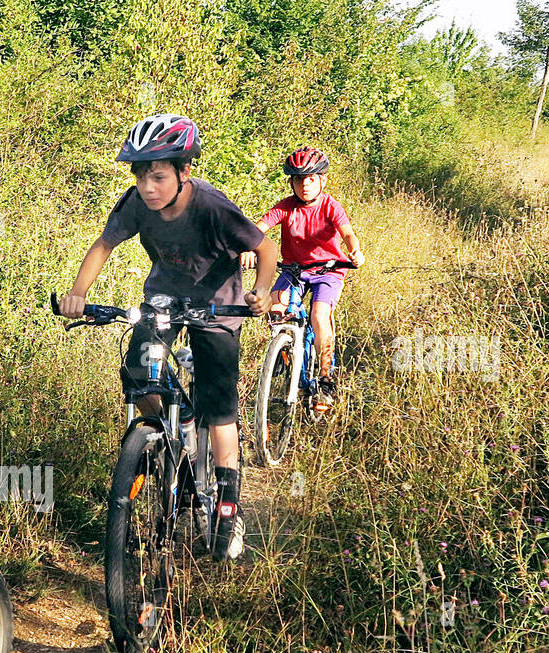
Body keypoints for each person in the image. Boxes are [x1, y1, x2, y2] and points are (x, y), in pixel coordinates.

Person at [58, 114, 278, 559]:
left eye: (157, 176)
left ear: (184, 171)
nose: (148, 187)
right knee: (138, 374)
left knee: (219, 410)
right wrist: (78, 293)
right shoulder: (137, 204)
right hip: (163, 300)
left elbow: (264, 248)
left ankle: (227, 508)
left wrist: (263, 291)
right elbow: (104, 245)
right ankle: (166, 441)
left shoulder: (212, 206)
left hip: (219, 307)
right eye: (141, 177)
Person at [240, 147, 365, 413]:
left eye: (311, 178)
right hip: (294, 270)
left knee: (319, 316)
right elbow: (259, 229)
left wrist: (355, 251)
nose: (305, 185)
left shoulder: (330, 206)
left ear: (323, 180)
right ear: (291, 182)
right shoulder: (286, 206)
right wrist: (249, 247)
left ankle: (325, 379)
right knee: (273, 307)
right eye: (298, 179)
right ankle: (285, 352)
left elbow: (348, 234)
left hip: (329, 270)